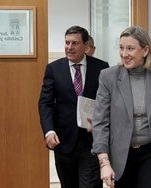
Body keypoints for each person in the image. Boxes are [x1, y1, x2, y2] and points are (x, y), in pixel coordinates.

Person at [91, 26, 151, 188]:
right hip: (120, 154)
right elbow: (100, 123)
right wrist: (104, 163)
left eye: (130, 48)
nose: (124, 54)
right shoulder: (108, 77)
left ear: (145, 50)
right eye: (121, 48)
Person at [38, 25, 109, 188]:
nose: (70, 47)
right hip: (63, 141)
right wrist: (49, 131)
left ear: (86, 46)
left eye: (75, 43)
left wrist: (101, 121)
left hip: (92, 141)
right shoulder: (54, 69)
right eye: (67, 43)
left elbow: (108, 102)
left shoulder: (102, 68)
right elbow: (45, 103)